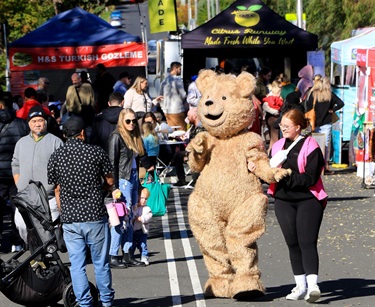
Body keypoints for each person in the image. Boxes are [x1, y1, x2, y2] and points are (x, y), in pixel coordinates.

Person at [249, 108, 327, 303]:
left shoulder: (312, 147)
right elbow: (269, 174)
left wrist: (286, 176)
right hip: (283, 200)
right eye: (281, 125)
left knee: (307, 242)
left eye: (286, 126)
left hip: (308, 200)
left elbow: (310, 178)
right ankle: (300, 286)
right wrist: (256, 170)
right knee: (292, 243)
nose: (282, 128)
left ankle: (313, 286)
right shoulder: (277, 147)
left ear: (298, 127)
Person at [47, 116, 115, 307]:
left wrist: (63, 211)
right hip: (94, 214)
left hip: (70, 218)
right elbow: (110, 182)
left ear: (64, 135)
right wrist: (101, 188)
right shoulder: (96, 153)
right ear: (82, 133)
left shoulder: (57, 156)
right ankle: (107, 301)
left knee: (77, 265)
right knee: (101, 263)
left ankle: (84, 303)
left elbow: (56, 188)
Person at [108, 108, 154, 267]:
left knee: (131, 215)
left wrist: (149, 168)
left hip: (133, 177)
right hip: (123, 179)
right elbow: (112, 163)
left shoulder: (135, 135)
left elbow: (142, 154)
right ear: (122, 121)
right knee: (121, 217)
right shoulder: (116, 137)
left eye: (134, 121)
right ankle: (113, 254)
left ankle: (128, 253)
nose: (132, 123)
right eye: (128, 121)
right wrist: (113, 186)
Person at [12, 106, 63, 244]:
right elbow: (15, 164)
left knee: (46, 231)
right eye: (34, 121)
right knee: (22, 225)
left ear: (45, 122)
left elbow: (62, 168)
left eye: (40, 120)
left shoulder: (55, 141)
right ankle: (35, 251)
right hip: (25, 196)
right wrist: (19, 182)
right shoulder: (21, 143)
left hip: (49, 196)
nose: (37, 124)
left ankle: (45, 255)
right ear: (29, 123)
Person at [0, 97, 29, 252]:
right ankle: (17, 240)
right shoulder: (21, 124)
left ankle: (2, 243)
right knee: (16, 208)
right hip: (16, 172)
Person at [305, 76, 344, 172]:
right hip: (326, 122)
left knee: (314, 144)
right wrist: (332, 110)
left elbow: (307, 107)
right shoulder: (329, 94)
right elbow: (341, 103)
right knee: (325, 145)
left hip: (314, 123)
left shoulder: (312, 94)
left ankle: (313, 165)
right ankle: (325, 166)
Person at [171, 107, 205, 187]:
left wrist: (188, 153)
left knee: (193, 157)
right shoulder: (193, 127)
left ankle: (196, 181)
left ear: (194, 116)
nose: (187, 118)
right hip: (191, 150)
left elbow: (199, 144)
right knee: (178, 155)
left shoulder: (201, 128)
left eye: (188, 116)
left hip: (199, 152)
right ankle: (182, 179)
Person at [159, 62, 187, 130]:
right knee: (181, 132)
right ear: (175, 68)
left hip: (167, 111)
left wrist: (163, 109)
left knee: (171, 132)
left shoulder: (164, 81)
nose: (180, 71)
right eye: (179, 69)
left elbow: (160, 97)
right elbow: (183, 94)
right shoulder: (178, 79)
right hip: (178, 110)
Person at [130, 187, 152, 265]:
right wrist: (133, 217)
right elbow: (132, 215)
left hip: (142, 231)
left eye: (145, 199)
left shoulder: (147, 208)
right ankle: (130, 257)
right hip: (133, 231)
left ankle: (144, 256)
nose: (143, 200)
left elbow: (148, 216)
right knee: (131, 245)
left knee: (142, 245)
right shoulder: (134, 207)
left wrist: (141, 218)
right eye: (141, 198)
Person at [262, 80, 284, 152]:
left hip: (274, 117)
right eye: (279, 91)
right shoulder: (270, 97)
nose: (280, 93)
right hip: (272, 117)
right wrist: (275, 112)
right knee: (275, 137)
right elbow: (265, 106)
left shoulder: (275, 97)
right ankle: (273, 151)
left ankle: (272, 151)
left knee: (273, 136)